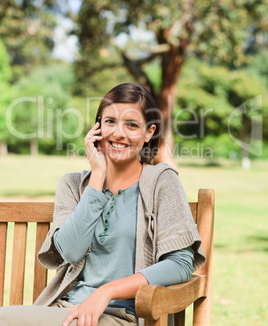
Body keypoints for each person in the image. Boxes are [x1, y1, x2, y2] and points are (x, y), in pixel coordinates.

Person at [0, 83, 205, 326]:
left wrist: (106, 292)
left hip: (125, 317)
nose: (119, 133)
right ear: (97, 127)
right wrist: (97, 176)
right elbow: (70, 251)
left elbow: (180, 265)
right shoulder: (72, 185)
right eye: (110, 122)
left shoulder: (162, 181)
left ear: (149, 132)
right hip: (66, 310)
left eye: (131, 125)